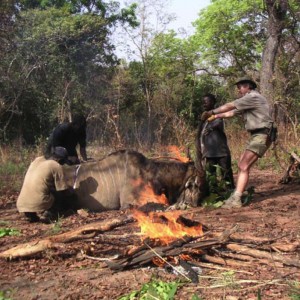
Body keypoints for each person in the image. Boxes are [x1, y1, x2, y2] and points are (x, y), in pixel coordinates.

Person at [201, 77, 273, 208]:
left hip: (262, 133)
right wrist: (215, 116)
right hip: (258, 134)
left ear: (248, 87)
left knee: (243, 165)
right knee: (242, 164)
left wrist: (211, 112)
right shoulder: (249, 101)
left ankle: (237, 198)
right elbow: (232, 113)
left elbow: (231, 105)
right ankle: (239, 193)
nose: (239, 90)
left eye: (240, 87)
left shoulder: (252, 97)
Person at [17, 147, 73, 223]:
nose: (62, 165)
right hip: (39, 202)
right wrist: (72, 195)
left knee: (40, 188)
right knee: (58, 194)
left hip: (22, 203)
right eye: (63, 162)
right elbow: (62, 189)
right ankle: (48, 215)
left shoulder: (37, 160)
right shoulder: (55, 165)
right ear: (60, 160)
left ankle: (31, 215)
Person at [199, 93, 235, 189]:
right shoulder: (204, 118)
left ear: (213, 103)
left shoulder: (218, 116)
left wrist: (210, 128)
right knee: (211, 177)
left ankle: (231, 193)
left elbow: (218, 122)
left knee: (226, 176)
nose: (204, 104)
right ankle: (214, 193)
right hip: (209, 154)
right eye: (203, 103)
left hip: (221, 153)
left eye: (206, 102)